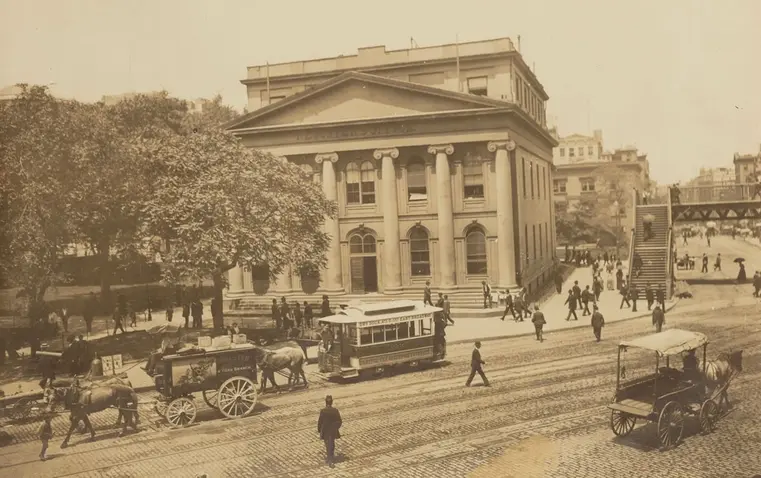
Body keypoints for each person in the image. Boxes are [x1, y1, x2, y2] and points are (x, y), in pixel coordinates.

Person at [317, 395, 342, 467]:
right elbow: (339, 421)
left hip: (325, 431)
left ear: (325, 402)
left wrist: (319, 430)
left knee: (327, 445)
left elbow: (320, 422)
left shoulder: (323, 411)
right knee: (332, 444)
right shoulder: (335, 410)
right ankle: (331, 457)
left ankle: (330, 459)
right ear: (332, 402)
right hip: (333, 431)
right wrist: (336, 428)